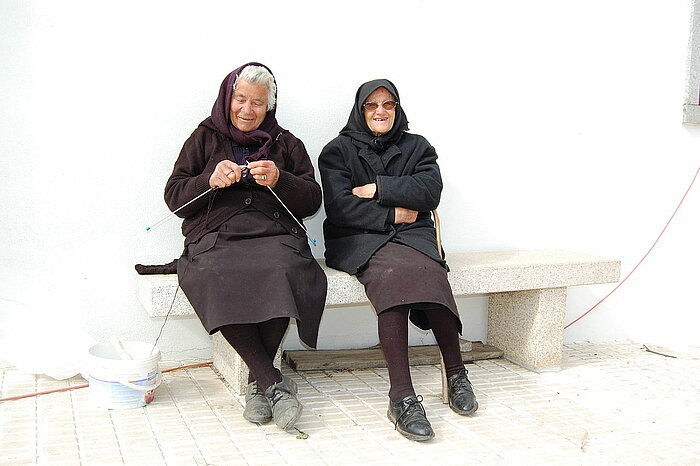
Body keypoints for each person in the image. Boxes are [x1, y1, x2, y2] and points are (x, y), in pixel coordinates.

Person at [165, 63, 327, 431]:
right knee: (211, 271)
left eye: (257, 103)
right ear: (228, 98)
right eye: (240, 99)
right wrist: (209, 180)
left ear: (269, 106)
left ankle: (259, 385)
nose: (247, 110)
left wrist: (281, 180)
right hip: (217, 237)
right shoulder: (203, 138)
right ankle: (270, 382)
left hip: (274, 235)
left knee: (283, 268)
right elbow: (174, 197)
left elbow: (312, 200)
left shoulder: (286, 143)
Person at [318, 79, 477, 442]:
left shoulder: (417, 146)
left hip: (413, 235)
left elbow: (429, 192)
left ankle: (456, 373)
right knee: (391, 279)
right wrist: (394, 214)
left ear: (397, 109)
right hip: (358, 239)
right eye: (372, 105)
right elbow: (341, 206)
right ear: (360, 110)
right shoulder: (336, 151)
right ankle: (401, 396)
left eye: (388, 105)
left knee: (430, 273)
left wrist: (378, 188)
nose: (380, 112)